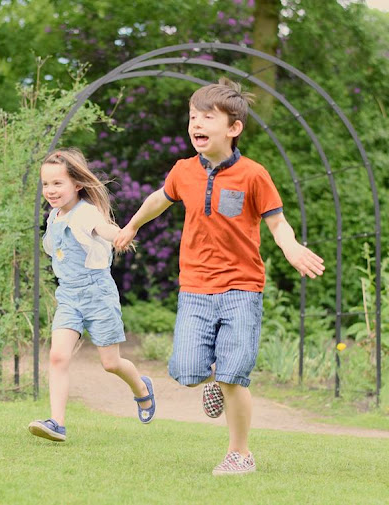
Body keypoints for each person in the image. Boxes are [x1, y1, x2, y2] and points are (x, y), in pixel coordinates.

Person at [114, 78, 325, 475]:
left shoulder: (254, 175)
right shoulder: (183, 171)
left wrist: (291, 247)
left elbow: (277, 224)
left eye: (207, 117)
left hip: (242, 288)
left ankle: (240, 453)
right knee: (186, 371)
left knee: (235, 374)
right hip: (195, 287)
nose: (197, 123)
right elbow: (159, 198)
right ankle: (214, 380)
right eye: (193, 116)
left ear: (233, 128)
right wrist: (132, 226)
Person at [28, 148, 156, 442]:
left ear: (77, 184)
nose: (50, 190)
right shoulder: (54, 216)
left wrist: (121, 235)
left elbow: (104, 228)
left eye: (57, 183)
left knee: (110, 363)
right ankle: (57, 423)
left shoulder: (86, 213)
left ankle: (141, 387)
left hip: (97, 294)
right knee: (58, 356)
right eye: (46, 184)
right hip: (69, 296)